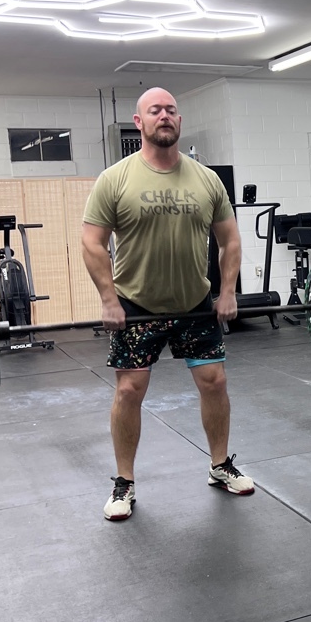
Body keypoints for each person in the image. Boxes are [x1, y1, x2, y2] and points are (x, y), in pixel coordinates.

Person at [82, 87, 254, 519]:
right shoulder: (115, 178)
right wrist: (108, 300)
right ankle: (124, 483)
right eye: (155, 110)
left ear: (180, 121)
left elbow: (229, 239)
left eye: (172, 110)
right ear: (139, 122)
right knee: (129, 390)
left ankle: (219, 465)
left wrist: (227, 291)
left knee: (214, 382)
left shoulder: (206, 179)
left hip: (194, 302)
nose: (165, 116)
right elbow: (92, 242)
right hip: (136, 304)